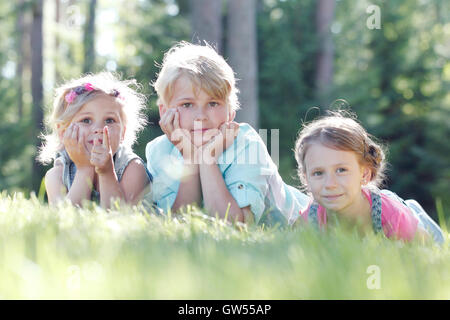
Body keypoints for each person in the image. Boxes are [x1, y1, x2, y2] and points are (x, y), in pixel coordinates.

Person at [146, 41, 309, 224]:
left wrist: (208, 159)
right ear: (164, 112)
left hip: (309, 221)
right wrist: (190, 157)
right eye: (187, 104)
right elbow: (179, 221)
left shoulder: (246, 143)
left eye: (213, 103)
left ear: (231, 112)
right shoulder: (159, 151)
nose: (201, 116)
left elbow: (236, 225)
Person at [293, 111, 444, 243]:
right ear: (306, 178)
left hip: (404, 215)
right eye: (318, 173)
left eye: (341, 170)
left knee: (436, 239)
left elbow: (426, 248)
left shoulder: (392, 216)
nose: (330, 184)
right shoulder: (310, 219)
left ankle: (413, 210)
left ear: (364, 174)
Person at [39, 72, 151, 208]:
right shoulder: (56, 176)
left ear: (123, 132)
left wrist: (106, 172)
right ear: (63, 132)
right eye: (86, 120)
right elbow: (66, 221)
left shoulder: (133, 168)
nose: (99, 128)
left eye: (110, 120)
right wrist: (84, 169)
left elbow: (119, 218)